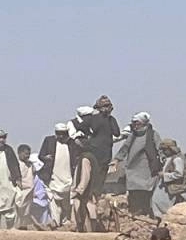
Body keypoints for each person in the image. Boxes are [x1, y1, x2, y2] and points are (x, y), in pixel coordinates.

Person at [75, 98, 120, 232]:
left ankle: (96, 199)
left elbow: (117, 132)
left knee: (99, 183)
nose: (107, 109)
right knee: (89, 183)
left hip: (105, 155)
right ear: (99, 107)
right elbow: (81, 127)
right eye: (105, 106)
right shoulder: (93, 119)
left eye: (109, 106)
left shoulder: (111, 120)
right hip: (94, 154)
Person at [117, 112, 163, 220]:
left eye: (137, 123)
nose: (135, 125)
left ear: (143, 123)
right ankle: (135, 214)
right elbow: (125, 148)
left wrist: (164, 160)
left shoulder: (153, 134)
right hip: (133, 168)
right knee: (134, 192)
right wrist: (117, 159)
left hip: (147, 169)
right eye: (134, 123)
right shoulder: (132, 135)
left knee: (146, 192)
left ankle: (146, 214)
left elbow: (160, 148)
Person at [40, 123, 80, 229]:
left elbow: (77, 156)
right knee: (53, 200)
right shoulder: (49, 141)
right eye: (59, 134)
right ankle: (55, 221)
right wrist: (45, 158)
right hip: (53, 176)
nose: (61, 136)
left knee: (66, 202)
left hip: (67, 177)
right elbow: (41, 155)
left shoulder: (71, 143)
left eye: (63, 134)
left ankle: (66, 220)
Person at [159, 140, 186, 216]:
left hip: (178, 190)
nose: (163, 152)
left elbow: (179, 174)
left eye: (164, 150)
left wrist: (164, 175)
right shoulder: (172, 159)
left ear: (170, 149)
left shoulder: (177, 159)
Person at [19, 146, 50, 229]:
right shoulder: (18, 165)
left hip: (34, 197)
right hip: (22, 192)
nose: (27, 156)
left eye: (28, 154)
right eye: (25, 154)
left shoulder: (32, 168)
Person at [0, 132, 20, 230]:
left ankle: (10, 230)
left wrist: (17, 178)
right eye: (0, 138)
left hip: (7, 183)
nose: (1, 140)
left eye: (3, 137)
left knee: (9, 205)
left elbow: (15, 165)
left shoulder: (8, 150)